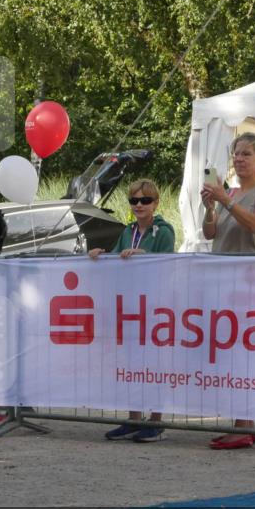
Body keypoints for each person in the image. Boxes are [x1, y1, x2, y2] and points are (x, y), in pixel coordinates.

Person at [201, 132, 255, 449]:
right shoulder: (229, 192)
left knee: (243, 355)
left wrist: (225, 201)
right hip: (224, 282)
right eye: (236, 153)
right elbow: (210, 233)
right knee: (230, 355)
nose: (239, 158)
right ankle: (240, 423)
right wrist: (210, 208)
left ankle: (244, 425)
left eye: (246, 153)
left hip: (249, 283)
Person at [89, 179, 176, 442]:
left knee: (154, 363)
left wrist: (144, 255)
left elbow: (169, 263)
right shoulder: (128, 230)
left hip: (156, 306)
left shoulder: (164, 231)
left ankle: (156, 421)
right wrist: (101, 254)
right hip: (130, 306)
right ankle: (133, 418)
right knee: (132, 363)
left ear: (156, 203)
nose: (139, 205)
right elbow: (117, 257)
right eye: (134, 201)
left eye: (145, 200)